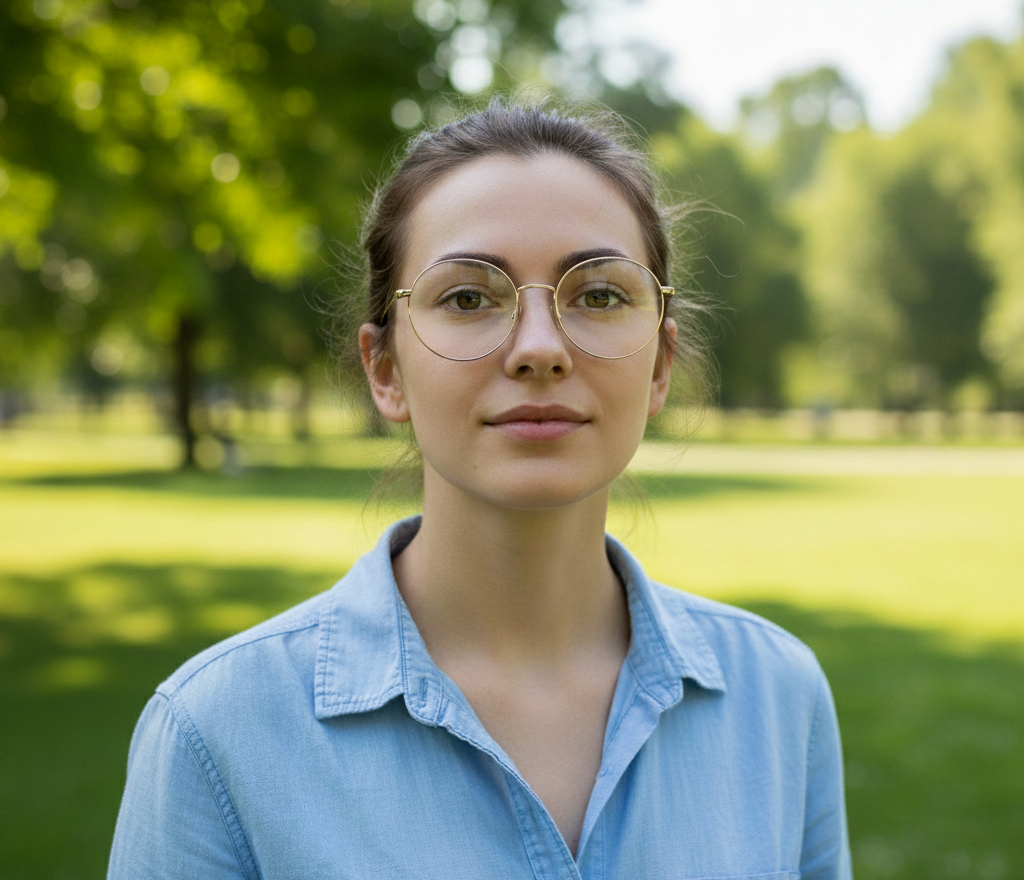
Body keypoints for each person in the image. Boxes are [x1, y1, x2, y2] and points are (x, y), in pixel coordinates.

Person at [108, 100, 852, 879]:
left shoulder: (778, 697)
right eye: (468, 297)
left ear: (660, 365)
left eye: (598, 295)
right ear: (385, 370)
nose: (539, 350)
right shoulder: (215, 734)